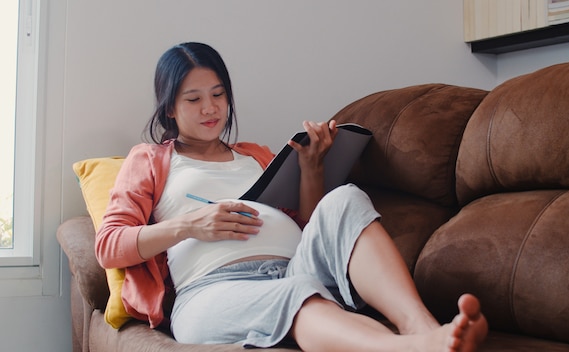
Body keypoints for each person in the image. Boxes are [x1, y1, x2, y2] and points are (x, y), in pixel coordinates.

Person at [95, 42, 488, 352]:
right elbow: (110, 246)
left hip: (295, 266)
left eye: (218, 94)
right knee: (298, 295)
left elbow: (310, 223)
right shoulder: (150, 159)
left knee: (344, 198)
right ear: (169, 110)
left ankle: (422, 329)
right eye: (193, 99)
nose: (210, 108)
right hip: (212, 291)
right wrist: (189, 224)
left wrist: (313, 167)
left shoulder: (255, 155)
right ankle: (413, 349)